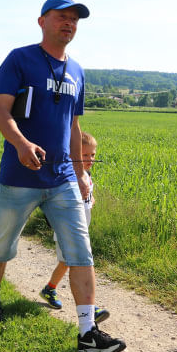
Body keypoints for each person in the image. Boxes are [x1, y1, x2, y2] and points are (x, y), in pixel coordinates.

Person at [0, 0, 126, 352]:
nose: (69, 24)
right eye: (62, 17)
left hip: (62, 179)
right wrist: (21, 144)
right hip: (20, 176)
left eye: (75, 20)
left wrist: (80, 172)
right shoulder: (20, 59)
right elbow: (2, 112)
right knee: (3, 246)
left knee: (81, 251)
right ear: (42, 21)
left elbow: (74, 126)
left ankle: (87, 334)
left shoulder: (76, 71)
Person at [39, 131, 110, 323]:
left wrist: (90, 198)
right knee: (78, 263)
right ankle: (90, 308)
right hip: (67, 229)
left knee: (66, 263)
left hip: (80, 228)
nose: (90, 159)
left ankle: (50, 289)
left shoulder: (85, 174)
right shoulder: (69, 177)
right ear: (72, 156)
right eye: (85, 155)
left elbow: (87, 193)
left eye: (92, 155)